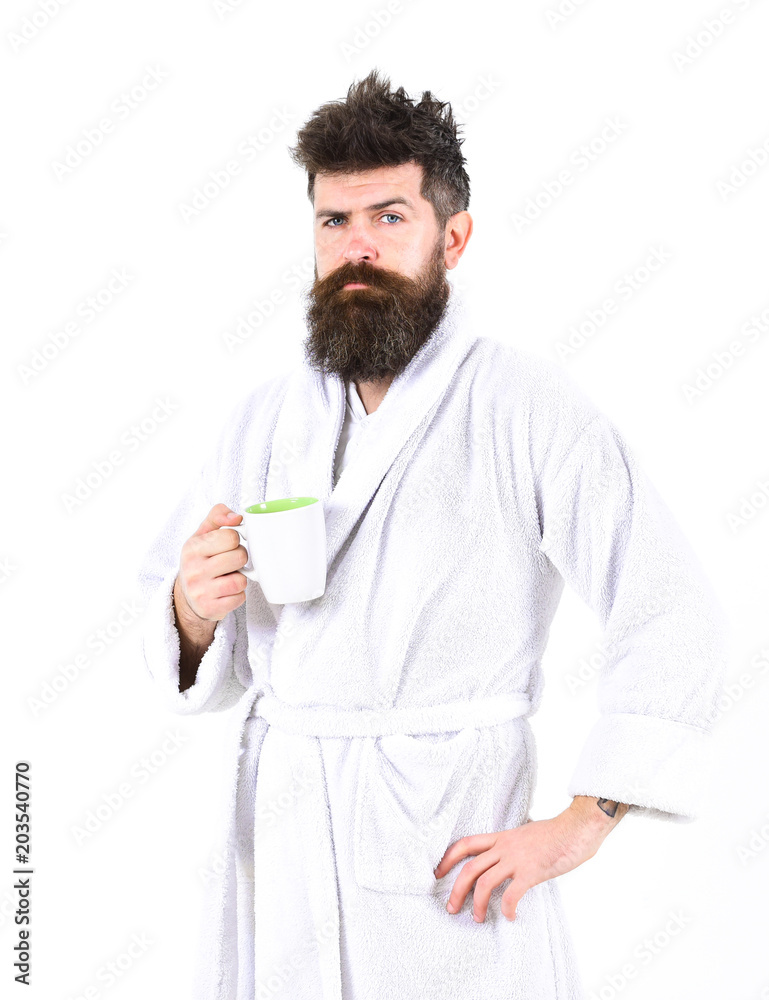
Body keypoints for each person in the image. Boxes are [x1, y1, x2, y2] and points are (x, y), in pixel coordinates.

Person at [138, 69, 731, 1000]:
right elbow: (174, 620)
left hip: (447, 838)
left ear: (451, 236)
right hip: (285, 831)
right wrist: (192, 608)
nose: (357, 247)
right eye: (335, 222)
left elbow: (672, 609)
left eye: (388, 217)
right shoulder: (262, 417)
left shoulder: (523, 407)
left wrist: (584, 819)